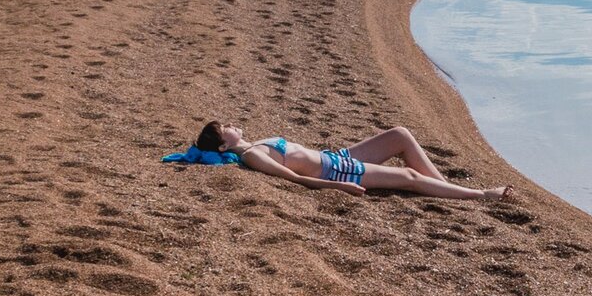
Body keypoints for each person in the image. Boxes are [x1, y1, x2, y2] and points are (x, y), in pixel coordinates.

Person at [194, 121, 515, 202]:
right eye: (227, 129)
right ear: (224, 146)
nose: (233, 125)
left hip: (336, 157)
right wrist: (337, 186)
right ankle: (479, 196)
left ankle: (445, 189)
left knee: (400, 135)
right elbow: (294, 179)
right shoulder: (252, 155)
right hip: (336, 170)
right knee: (406, 176)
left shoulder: (257, 143)